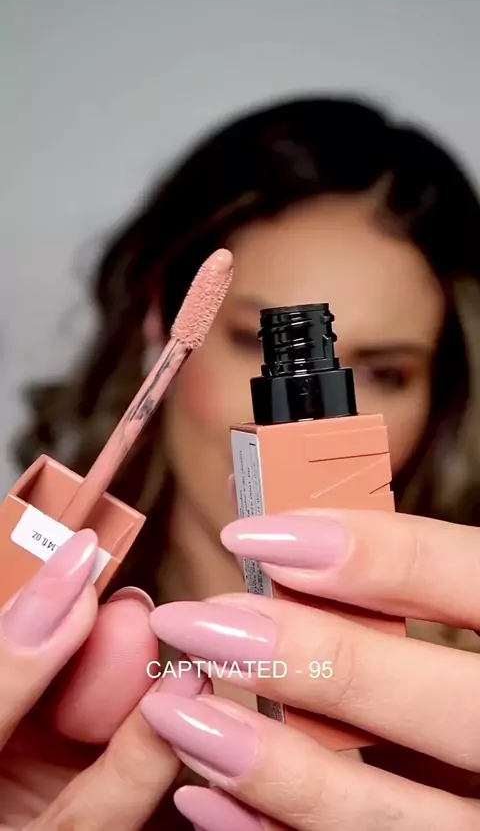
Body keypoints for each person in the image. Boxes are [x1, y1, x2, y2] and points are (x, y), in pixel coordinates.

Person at [7, 95, 480, 827]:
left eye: (385, 372)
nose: (314, 418)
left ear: (439, 398)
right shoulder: (27, 610)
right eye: (257, 344)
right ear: (164, 321)